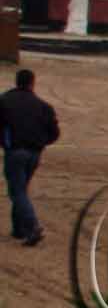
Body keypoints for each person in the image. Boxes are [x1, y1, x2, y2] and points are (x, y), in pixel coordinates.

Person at [1, 67, 61, 247]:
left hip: (15, 151)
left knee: (16, 191)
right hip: (34, 153)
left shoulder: (4, 101)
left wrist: (5, 143)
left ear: (16, 82)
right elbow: (54, 132)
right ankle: (18, 228)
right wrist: (42, 143)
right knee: (21, 189)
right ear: (32, 83)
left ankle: (32, 226)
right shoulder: (43, 106)